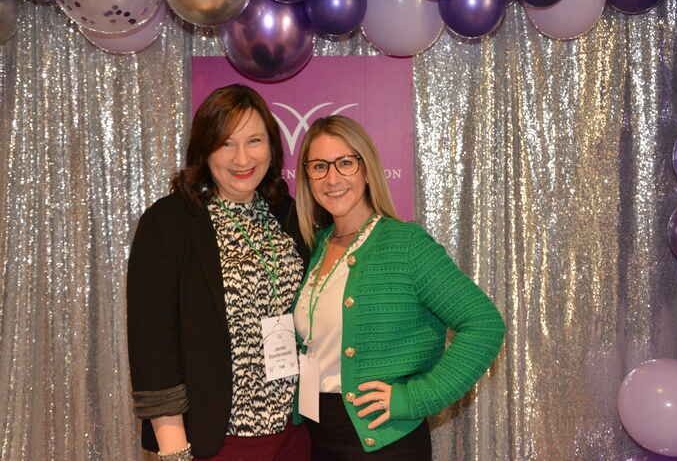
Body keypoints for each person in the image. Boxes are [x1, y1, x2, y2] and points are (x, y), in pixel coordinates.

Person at [292, 115, 505, 460]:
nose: (332, 178)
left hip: (385, 444)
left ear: (366, 168)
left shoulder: (406, 245)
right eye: (319, 166)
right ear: (307, 176)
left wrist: (415, 397)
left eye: (345, 163)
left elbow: (484, 324)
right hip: (319, 438)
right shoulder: (316, 246)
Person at [127, 84, 311, 461]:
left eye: (254, 140)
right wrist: (175, 450)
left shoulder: (289, 215)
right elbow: (153, 345)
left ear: (272, 147)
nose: (242, 157)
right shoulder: (169, 222)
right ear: (205, 150)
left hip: (297, 434)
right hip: (214, 441)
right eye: (226, 143)